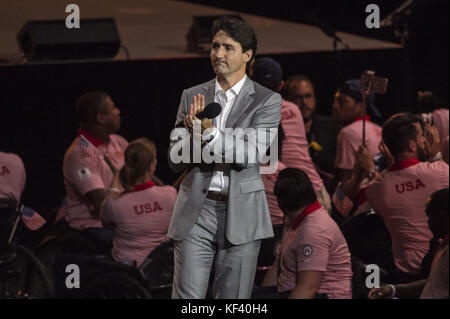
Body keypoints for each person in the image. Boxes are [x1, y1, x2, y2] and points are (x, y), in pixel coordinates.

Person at [167, 17, 281, 299]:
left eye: (228, 47)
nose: (218, 53)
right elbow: (174, 160)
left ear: (247, 54)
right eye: (215, 46)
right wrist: (189, 132)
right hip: (197, 208)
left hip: (242, 211)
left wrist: (208, 135)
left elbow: (250, 154)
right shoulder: (192, 95)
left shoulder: (267, 100)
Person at [339, 113, 449, 282]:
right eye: (422, 137)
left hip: (405, 275)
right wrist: (437, 156)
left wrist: (367, 171)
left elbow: (346, 202)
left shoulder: (378, 187)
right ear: (412, 146)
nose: (425, 141)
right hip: (439, 269)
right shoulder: (439, 172)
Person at [257, 168, 352, 299]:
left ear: (281, 202)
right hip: (288, 291)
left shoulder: (314, 231)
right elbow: (278, 268)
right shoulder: (293, 221)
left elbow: (308, 288)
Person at [252, 58, 331, 214]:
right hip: (318, 189)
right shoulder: (294, 109)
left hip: (299, 194)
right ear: (280, 86)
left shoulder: (257, 114)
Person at [60, 91, 128, 252]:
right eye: (113, 108)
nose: (118, 112)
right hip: (95, 226)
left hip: (124, 217)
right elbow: (101, 204)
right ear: (100, 118)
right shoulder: (80, 154)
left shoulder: (119, 142)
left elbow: (144, 179)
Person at [101, 138, 177, 267]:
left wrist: (115, 178)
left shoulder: (114, 204)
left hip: (128, 271)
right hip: (163, 271)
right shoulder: (170, 194)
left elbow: (105, 223)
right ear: (152, 165)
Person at [368, 188, 449, 299]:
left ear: (444, 215)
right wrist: (393, 290)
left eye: (430, 216)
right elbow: (434, 284)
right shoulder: (442, 244)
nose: (428, 223)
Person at [282, 75, 342, 190]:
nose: (304, 102)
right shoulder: (282, 131)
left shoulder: (333, 128)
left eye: (308, 96)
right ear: (287, 100)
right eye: (297, 97)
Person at [332, 79, 382, 183]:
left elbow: (345, 181)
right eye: (335, 101)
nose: (335, 106)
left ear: (361, 106)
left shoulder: (348, 132)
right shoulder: (379, 128)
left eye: (341, 101)